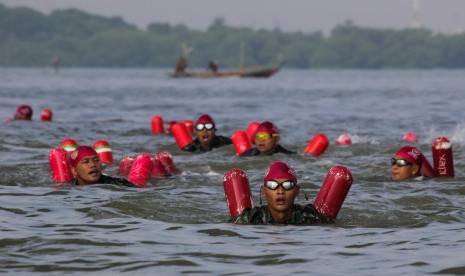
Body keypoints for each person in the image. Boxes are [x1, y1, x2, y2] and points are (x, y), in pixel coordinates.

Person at [230, 161, 332, 224]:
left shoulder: (311, 218)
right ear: (264, 192)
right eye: (272, 185)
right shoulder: (251, 219)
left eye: (287, 185)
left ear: (297, 191)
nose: (280, 191)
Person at [69, 146, 136, 187]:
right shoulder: (68, 187)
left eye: (96, 160)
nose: (93, 164)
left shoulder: (119, 184)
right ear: (74, 171)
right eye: (86, 162)